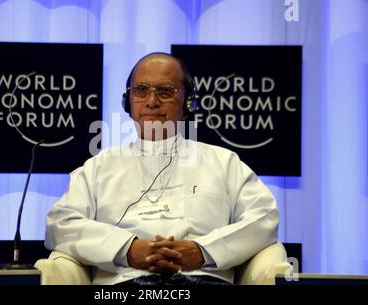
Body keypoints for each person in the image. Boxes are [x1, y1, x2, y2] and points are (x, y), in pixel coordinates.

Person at [45, 52, 279, 285]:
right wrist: (127, 249)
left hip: (203, 281)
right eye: (141, 90)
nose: (151, 101)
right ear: (128, 101)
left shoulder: (223, 162)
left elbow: (264, 217)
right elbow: (60, 223)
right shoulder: (99, 167)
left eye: (165, 91)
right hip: (124, 285)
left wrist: (202, 251)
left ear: (189, 103)